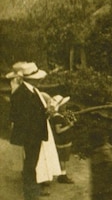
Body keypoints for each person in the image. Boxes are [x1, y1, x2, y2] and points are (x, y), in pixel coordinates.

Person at [7, 61, 53, 200]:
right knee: (30, 164)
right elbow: (17, 116)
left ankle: (33, 190)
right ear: (33, 79)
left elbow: (35, 113)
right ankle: (30, 194)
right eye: (38, 78)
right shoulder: (21, 94)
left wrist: (47, 112)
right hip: (30, 135)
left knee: (33, 163)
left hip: (35, 134)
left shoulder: (33, 90)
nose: (40, 80)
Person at [49, 94, 76, 184]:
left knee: (63, 158)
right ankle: (62, 176)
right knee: (62, 158)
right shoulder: (57, 117)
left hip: (65, 140)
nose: (65, 106)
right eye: (63, 105)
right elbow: (58, 130)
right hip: (62, 141)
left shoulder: (61, 115)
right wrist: (69, 126)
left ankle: (61, 174)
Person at [88, 129, 112, 200]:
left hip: (105, 187)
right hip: (98, 186)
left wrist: (105, 177)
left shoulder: (104, 151)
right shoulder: (97, 150)